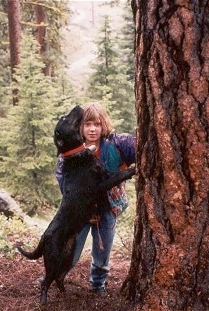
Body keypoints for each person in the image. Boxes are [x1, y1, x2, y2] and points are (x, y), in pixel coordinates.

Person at [55, 102, 136, 297]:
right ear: (80, 127)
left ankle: (98, 284)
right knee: (71, 248)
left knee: (103, 251)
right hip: (81, 210)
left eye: (97, 124)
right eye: (87, 124)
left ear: (104, 125)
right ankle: (54, 274)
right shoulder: (73, 150)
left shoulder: (116, 144)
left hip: (108, 208)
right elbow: (63, 178)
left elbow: (137, 145)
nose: (92, 129)